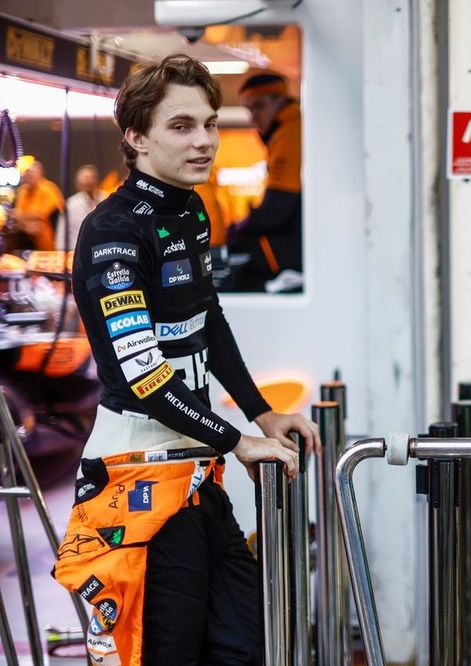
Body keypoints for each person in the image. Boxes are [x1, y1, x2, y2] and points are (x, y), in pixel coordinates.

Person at [52, 54, 319, 666]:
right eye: (181, 126)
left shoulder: (190, 209)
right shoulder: (112, 231)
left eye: (210, 123)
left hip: (196, 470)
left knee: (246, 644)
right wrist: (239, 441)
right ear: (137, 138)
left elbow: (207, 319)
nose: (204, 141)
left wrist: (262, 413)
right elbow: (144, 377)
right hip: (134, 479)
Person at [225, 71, 302, 292]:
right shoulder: (290, 128)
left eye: (259, 106)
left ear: (280, 101)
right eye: (248, 109)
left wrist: (237, 231)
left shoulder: (289, 133)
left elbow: (278, 207)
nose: (253, 117)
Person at [11, 159, 64, 251]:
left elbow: (42, 215)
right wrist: (28, 226)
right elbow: (17, 215)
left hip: (49, 246)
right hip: (27, 244)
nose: (27, 176)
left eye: (30, 173)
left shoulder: (49, 190)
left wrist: (24, 217)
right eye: (25, 174)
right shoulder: (23, 191)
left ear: (39, 173)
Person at [56, 164, 106, 250]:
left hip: (102, 250)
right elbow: (61, 234)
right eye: (85, 179)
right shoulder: (70, 204)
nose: (88, 181)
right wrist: (61, 251)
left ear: (96, 180)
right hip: (76, 251)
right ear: (78, 184)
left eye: (91, 178)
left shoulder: (106, 200)